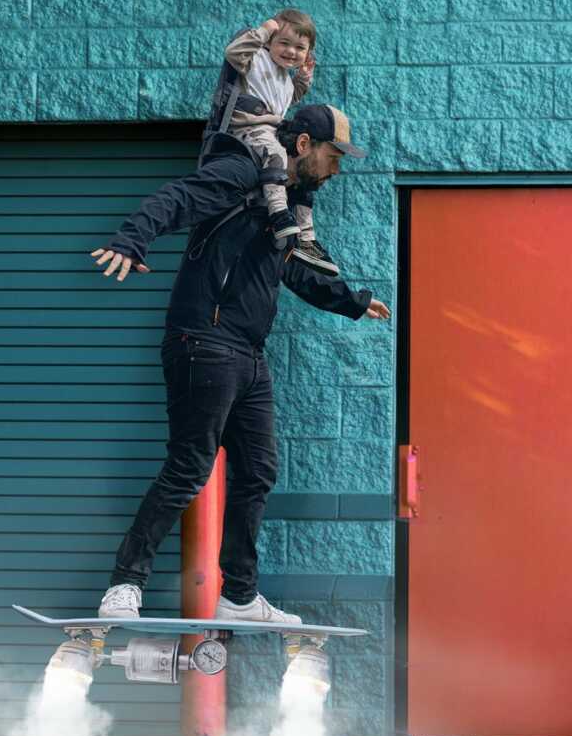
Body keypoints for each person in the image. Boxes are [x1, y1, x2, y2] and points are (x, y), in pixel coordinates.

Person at [91, 104, 390, 624]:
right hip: (203, 341)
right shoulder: (242, 173)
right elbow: (177, 197)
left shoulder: (288, 207)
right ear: (303, 147)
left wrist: (353, 302)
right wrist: (131, 238)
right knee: (188, 467)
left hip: (248, 354)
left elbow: (299, 271)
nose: (339, 167)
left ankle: (241, 594)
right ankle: (124, 584)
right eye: (333, 155)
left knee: (258, 471)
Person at [218, 9, 339, 277]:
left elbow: (289, 98)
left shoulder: (284, 78)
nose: (290, 52)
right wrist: (264, 29)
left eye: (299, 48)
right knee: (276, 156)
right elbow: (233, 54)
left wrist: (303, 78)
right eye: (283, 43)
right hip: (248, 128)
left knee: (302, 169)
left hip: (271, 131)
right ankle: (280, 215)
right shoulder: (256, 59)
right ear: (270, 41)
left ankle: (306, 239)